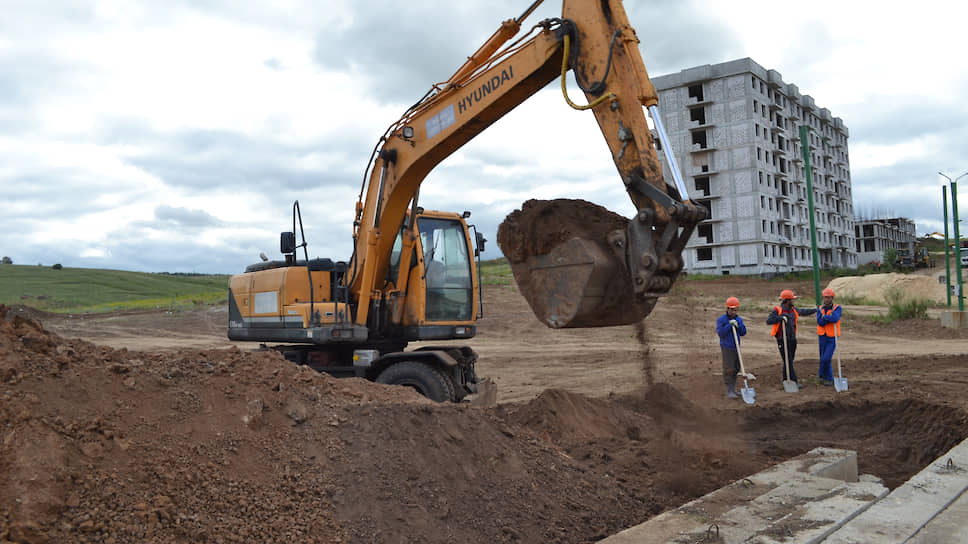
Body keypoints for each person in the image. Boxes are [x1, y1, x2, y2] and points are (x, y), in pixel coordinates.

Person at [766, 289, 816, 386]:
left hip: (792, 339)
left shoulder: (793, 310)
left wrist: (815, 309)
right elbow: (769, 320)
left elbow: (803, 311)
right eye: (792, 300)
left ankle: (786, 378)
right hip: (782, 339)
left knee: (789, 360)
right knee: (788, 360)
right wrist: (780, 318)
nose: (793, 301)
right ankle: (793, 381)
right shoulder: (778, 310)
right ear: (787, 300)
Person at [716, 296, 747, 399]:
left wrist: (739, 325)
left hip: (736, 347)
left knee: (736, 368)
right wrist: (729, 325)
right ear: (728, 308)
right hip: (727, 347)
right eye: (732, 309)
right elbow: (721, 333)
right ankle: (729, 390)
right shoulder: (721, 320)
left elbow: (743, 333)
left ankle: (733, 389)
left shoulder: (739, 319)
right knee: (729, 369)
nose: (734, 311)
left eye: (735, 309)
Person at [816, 287, 842, 386]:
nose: (827, 299)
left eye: (829, 297)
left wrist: (825, 317)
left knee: (826, 358)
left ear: (832, 298)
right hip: (822, 336)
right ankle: (829, 378)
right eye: (825, 297)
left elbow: (835, 318)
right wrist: (828, 317)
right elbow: (820, 322)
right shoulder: (820, 308)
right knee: (823, 357)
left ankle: (821, 374)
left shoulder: (837, 308)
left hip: (832, 336)